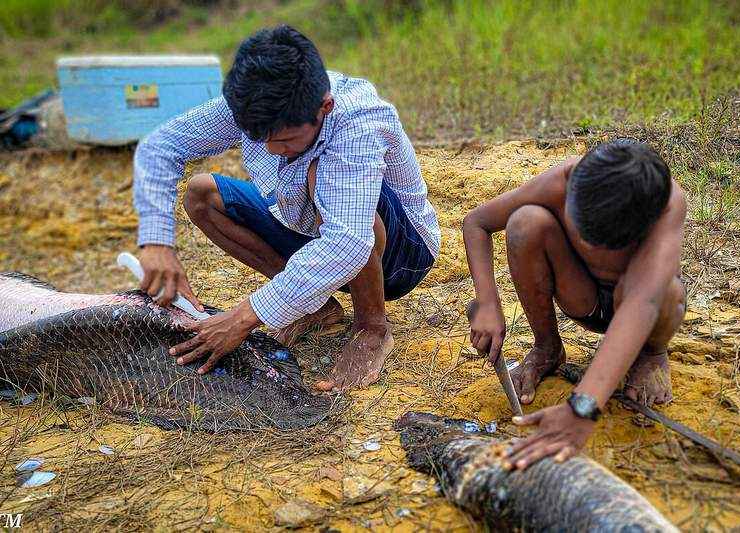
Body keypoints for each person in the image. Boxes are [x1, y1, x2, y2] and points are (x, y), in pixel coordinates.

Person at [133, 25, 440, 391]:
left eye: (284, 140)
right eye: (258, 137)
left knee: (322, 178)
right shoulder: (259, 100)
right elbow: (161, 146)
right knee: (202, 195)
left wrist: (246, 316)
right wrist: (157, 243)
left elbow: (349, 242)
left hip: (399, 255)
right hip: (310, 229)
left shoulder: (357, 121)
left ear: (324, 107)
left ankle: (372, 328)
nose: (271, 149)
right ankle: (316, 307)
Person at [462, 140, 686, 467]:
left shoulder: (666, 205)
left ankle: (651, 355)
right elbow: (476, 222)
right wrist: (487, 302)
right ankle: (547, 348)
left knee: (667, 290)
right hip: (583, 298)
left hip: (643, 311)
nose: (591, 247)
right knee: (525, 221)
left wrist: (582, 408)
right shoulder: (563, 181)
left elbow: (642, 303)